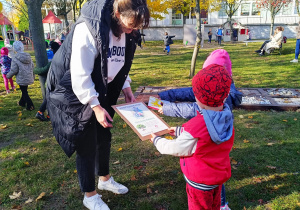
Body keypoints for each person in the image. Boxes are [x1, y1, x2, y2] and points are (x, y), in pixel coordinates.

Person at [46, 0, 150, 209]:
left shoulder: (129, 29)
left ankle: (104, 180)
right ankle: (89, 194)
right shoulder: (89, 28)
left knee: (104, 134)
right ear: (117, 14)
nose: (131, 32)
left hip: (100, 85)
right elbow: (80, 74)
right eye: (129, 26)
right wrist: (94, 106)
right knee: (85, 139)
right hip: (72, 89)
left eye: (136, 28)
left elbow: (119, 62)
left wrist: (126, 88)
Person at [150, 64, 235, 210]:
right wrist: (178, 131)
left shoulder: (197, 125)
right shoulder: (226, 117)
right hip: (217, 179)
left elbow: (176, 148)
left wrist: (156, 140)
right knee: (214, 206)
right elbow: (204, 139)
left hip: (199, 184)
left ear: (199, 97)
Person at [35, 42, 60, 121]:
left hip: (52, 82)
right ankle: (41, 112)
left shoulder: (54, 61)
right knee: (49, 98)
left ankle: (45, 113)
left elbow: (43, 70)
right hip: (56, 83)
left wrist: (34, 70)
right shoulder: (59, 59)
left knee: (49, 98)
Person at [7, 41, 35, 111]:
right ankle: (21, 103)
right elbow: (32, 66)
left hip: (21, 77)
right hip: (28, 76)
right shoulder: (28, 56)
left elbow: (14, 70)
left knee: (24, 92)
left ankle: (30, 106)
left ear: (14, 49)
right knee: (24, 90)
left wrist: (8, 76)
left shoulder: (15, 58)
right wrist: (33, 75)